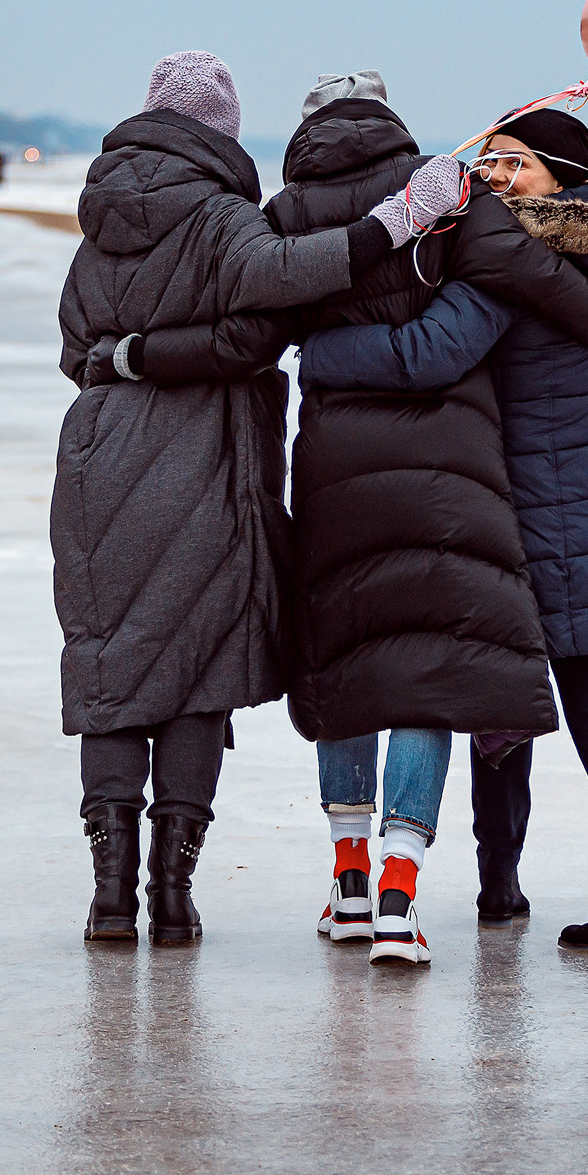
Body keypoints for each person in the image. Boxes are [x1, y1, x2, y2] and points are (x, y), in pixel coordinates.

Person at [111, 73, 588, 968]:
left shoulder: (284, 215)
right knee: (428, 673)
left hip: (336, 473)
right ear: (390, 123)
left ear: (310, 129)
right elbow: (525, 271)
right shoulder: (442, 196)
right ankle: (401, 893)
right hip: (448, 473)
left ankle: (350, 883)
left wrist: (136, 355)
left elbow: (245, 332)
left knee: (350, 664)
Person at [54, 51, 463, 949]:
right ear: (225, 131)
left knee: (113, 670)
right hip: (200, 460)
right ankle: (170, 894)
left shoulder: (100, 218)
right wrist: (404, 219)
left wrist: (129, 355)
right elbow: (288, 282)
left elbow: (75, 346)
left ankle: (109, 898)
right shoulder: (221, 218)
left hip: (96, 462)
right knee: (195, 671)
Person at [297, 106, 588, 954]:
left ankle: (572, 888)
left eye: (516, 166)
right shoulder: (581, 256)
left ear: (561, 182)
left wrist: (318, 356)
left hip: (550, 516)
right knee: (549, 708)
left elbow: (427, 352)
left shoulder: (513, 260)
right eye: (492, 161)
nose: (496, 178)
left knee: (554, 707)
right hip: (587, 507)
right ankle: (531, 885)